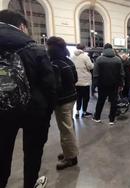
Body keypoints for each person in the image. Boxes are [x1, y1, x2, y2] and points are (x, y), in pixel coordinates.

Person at [0, 10, 56, 188]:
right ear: (22, 26)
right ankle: (30, 184)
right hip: (34, 111)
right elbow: (50, 87)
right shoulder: (34, 49)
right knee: (32, 152)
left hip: (2, 111)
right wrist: (47, 115)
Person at [47, 37, 79, 171]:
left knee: (65, 129)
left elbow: (54, 86)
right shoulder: (68, 61)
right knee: (68, 127)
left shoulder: (55, 64)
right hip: (71, 98)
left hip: (62, 101)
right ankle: (68, 152)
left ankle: (70, 158)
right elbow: (75, 79)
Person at [92, 43, 124, 125]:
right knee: (113, 101)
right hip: (114, 84)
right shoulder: (118, 59)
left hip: (102, 84)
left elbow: (95, 74)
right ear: (112, 49)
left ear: (104, 49)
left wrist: (95, 84)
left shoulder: (99, 59)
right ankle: (111, 120)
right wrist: (121, 84)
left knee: (100, 101)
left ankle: (97, 117)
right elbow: (122, 73)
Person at [71, 44, 94, 118]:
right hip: (85, 81)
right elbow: (90, 66)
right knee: (85, 97)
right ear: (84, 48)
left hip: (76, 81)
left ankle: (77, 112)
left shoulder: (72, 57)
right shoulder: (85, 56)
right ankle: (84, 112)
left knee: (78, 97)